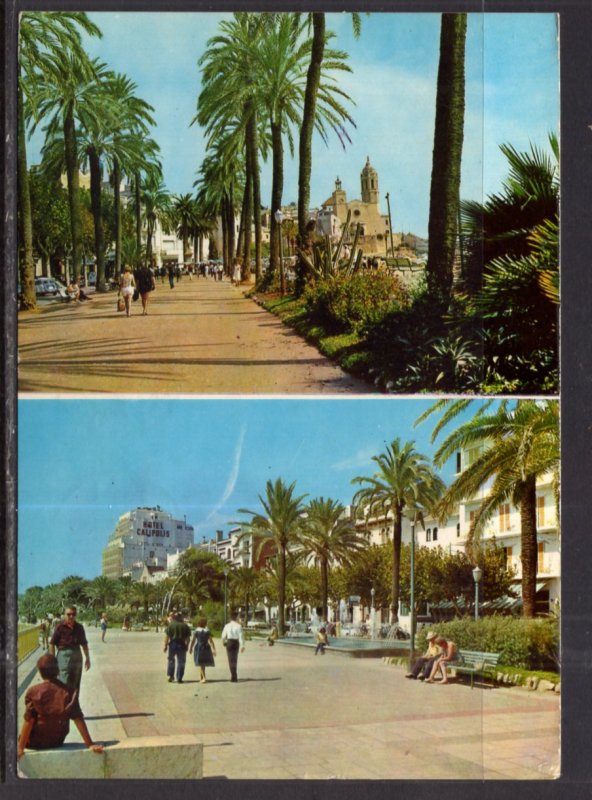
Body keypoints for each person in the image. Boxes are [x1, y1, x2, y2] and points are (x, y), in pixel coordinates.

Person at [17, 655, 103, 760]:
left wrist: (20, 748)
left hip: (35, 743)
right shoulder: (69, 692)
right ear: (58, 671)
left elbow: (29, 721)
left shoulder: (33, 692)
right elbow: (78, 718)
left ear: (40, 672)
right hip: (57, 740)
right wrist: (89, 743)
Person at [49, 606, 91, 700]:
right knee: (64, 682)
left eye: (73, 614)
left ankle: (74, 707)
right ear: (64, 615)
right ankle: (64, 708)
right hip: (63, 656)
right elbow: (52, 644)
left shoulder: (79, 627)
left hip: (77, 656)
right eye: (69, 614)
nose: (71, 616)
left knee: (76, 683)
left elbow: (84, 644)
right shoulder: (59, 627)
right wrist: (53, 660)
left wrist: (87, 658)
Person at [163, 612, 191, 683]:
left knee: (171, 660)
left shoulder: (171, 625)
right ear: (181, 617)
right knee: (181, 662)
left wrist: (165, 646)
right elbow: (188, 638)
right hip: (182, 644)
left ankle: (170, 676)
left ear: (174, 618)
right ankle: (179, 677)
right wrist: (187, 646)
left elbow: (167, 636)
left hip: (172, 644)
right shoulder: (185, 626)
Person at [189, 617, 217, 683]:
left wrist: (190, 648)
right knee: (203, 663)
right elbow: (211, 641)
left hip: (199, 647)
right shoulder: (207, 631)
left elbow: (193, 640)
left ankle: (204, 678)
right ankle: (201, 677)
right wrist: (214, 649)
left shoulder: (196, 631)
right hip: (206, 647)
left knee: (201, 663)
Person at [221, 610, 245, 683]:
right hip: (235, 642)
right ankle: (234, 675)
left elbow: (223, 636)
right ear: (236, 617)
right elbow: (241, 636)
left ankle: (233, 675)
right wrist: (242, 646)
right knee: (235, 659)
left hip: (229, 642)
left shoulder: (227, 626)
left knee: (230, 659)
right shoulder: (239, 626)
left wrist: (223, 642)